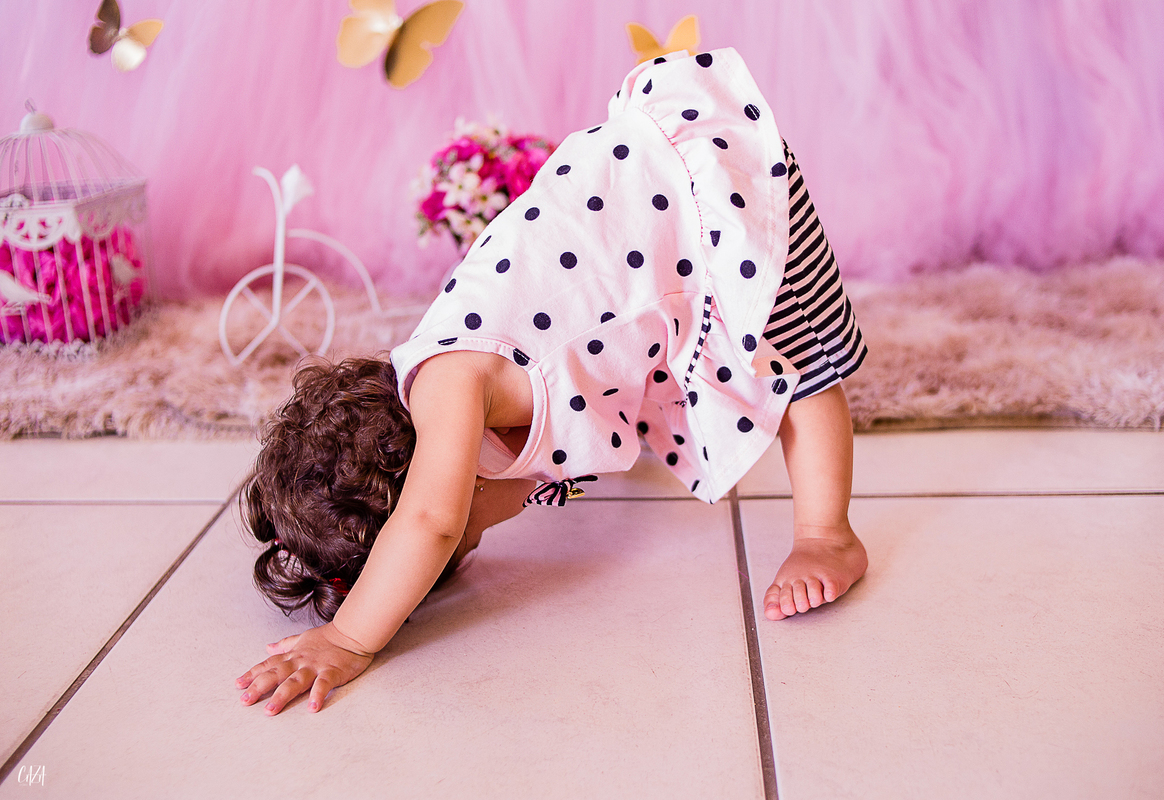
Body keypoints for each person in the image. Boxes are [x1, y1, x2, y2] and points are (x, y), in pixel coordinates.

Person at [236, 47, 868, 716]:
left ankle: (828, 535)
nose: (485, 533)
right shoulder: (462, 403)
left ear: (449, 480)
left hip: (707, 187)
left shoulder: (446, 385)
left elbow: (428, 521)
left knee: (796, 365)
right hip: (647, 234)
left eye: (472, 536)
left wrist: (348, 638)